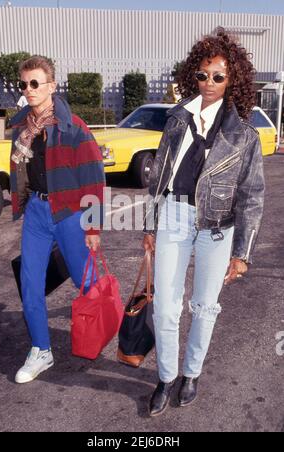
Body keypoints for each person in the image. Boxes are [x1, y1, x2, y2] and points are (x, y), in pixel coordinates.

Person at [143, 29, 265, 416]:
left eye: (218, 76)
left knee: (205, 306)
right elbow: (159, 176)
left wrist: (242, 253)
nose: (208, 83)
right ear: (192, 76)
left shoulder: (243, 136)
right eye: (202, 74)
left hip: (217, 227)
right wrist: (150, 226)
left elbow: (251, 197)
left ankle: (191, 373)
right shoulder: (177, 120)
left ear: (233, 82)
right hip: (174, 217)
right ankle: (165, 377)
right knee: (165, 307)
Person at [10, 56, 105, 384]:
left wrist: (93, 226)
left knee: (86, 281)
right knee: (30, 283)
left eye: (36, 83)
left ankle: (102, 327)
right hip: (36, 212)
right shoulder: (22, 128)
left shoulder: (73, 127)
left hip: (69, 213)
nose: (29, 89)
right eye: (24, 84)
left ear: (52, 86)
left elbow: (94, 179)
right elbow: (21, 171)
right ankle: (41, 350)